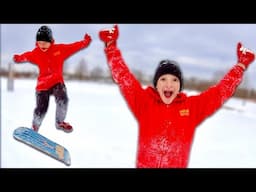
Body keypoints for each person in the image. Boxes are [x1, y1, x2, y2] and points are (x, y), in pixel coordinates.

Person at [99, 24, 255, 168]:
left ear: (180, 86)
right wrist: (111, 46)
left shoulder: (192, 108)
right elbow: (124, 78)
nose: (169, 84)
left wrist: (240, 66)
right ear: (156, 84)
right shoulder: (144, 102)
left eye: (174, 80)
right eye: (163, 79)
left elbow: (220, 92)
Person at [13, 25, 92, 133]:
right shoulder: (36, 53)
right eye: (40, 43)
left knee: (63, 99)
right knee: (41, 108)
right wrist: (18, 57)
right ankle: (35, 126)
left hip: (56, 82)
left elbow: (74, 46)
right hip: (42, 85)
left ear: (51, 41)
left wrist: (85, 42)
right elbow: (27, 55)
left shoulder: (60, 49)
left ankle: (60, 122)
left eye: (45, 43)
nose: (42, 45)